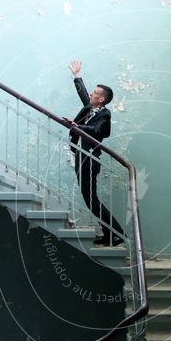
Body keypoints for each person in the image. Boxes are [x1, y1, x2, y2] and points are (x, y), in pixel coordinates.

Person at [63, 60, 124, 247]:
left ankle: (117, 233)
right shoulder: (90, 107)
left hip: (89, 159)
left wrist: (76, 126)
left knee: (91, 200)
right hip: (81, 155)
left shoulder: (105, 115)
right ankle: (109, 234)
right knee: (90, 200)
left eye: (95, 93)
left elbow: (99, 131)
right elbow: (83, 93)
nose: (91, 94)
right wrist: (76, 75)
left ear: (102, 99)